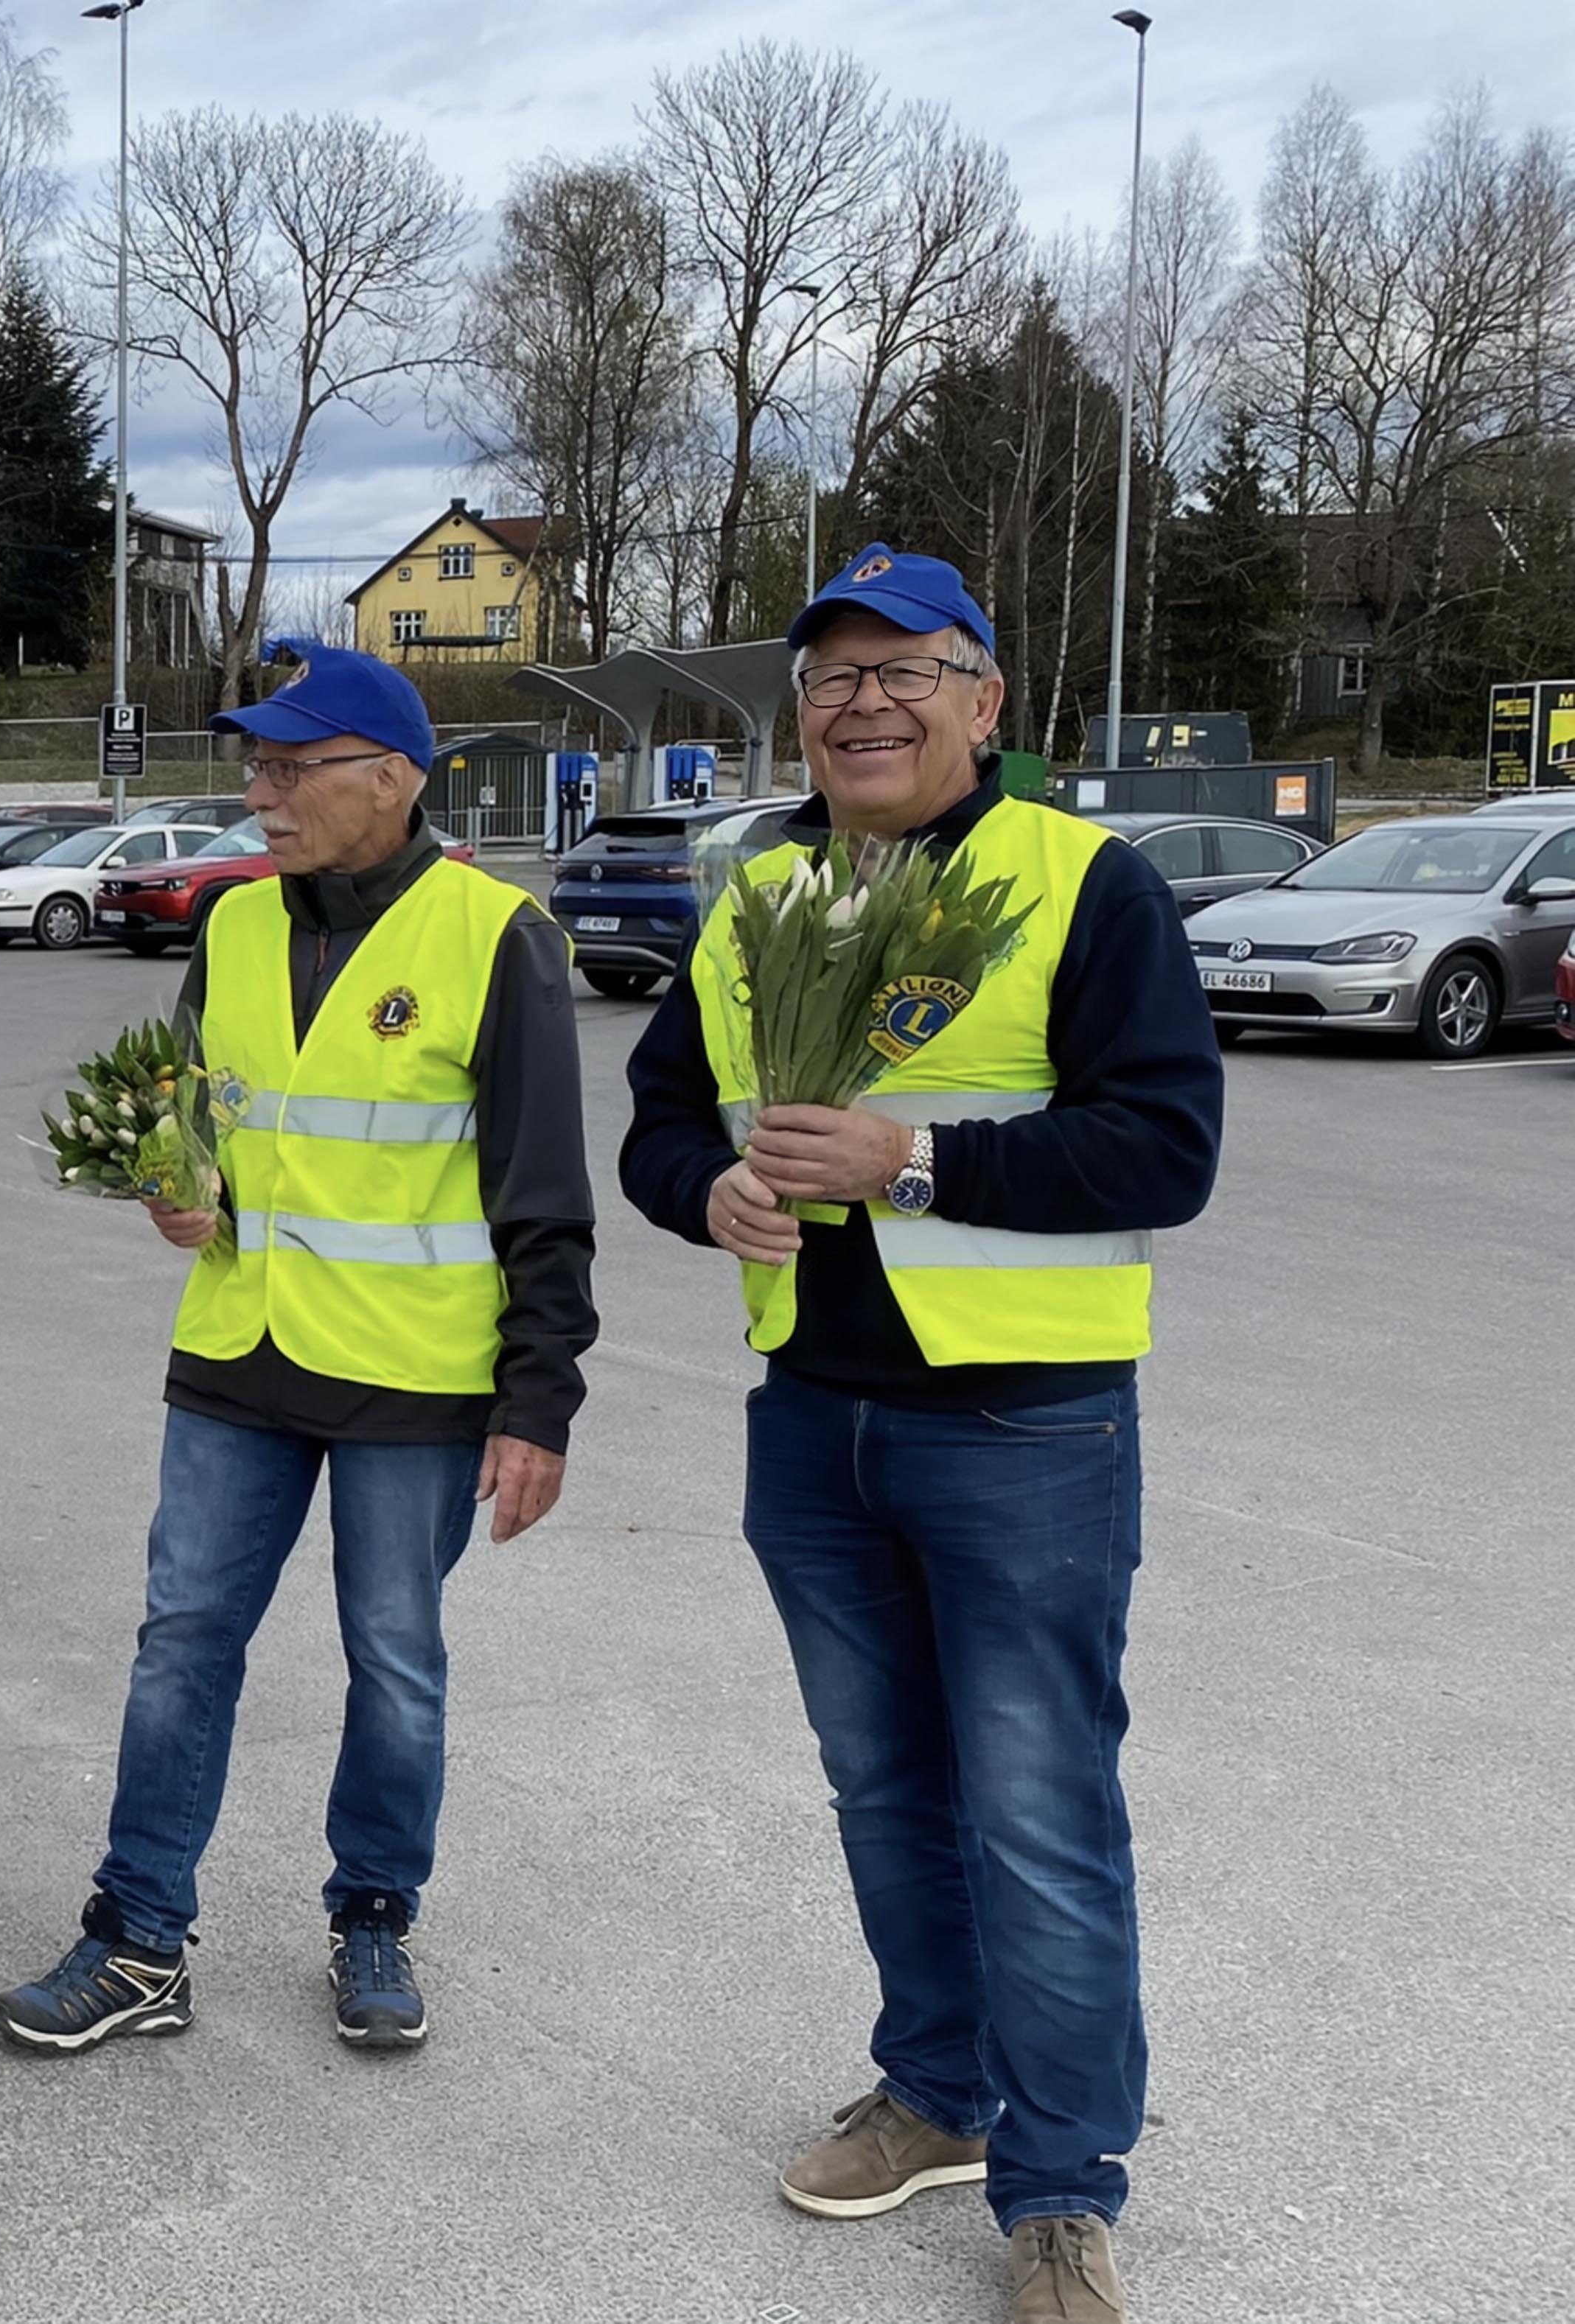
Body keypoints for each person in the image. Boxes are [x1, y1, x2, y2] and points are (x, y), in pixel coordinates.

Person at [620, 547, 1222, 2324]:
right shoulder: (761, 890)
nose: (862, 702)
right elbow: (661, 1118)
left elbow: (1164, 1150)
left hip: (1023, 1428)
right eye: (831, 674)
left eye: (906, 669)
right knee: (882, 1787)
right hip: (813, 1421)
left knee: (1037, 1812)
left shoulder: (1079, 885)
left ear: (985, 698)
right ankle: (937, 2093)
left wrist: (922, 1159)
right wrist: (705, 1189)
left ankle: (1060, 2191)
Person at [0, 641, 593, 2059]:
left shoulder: (495, 936)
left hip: (413, 1379)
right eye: (253, 766)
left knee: (394, 1656)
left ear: (391, 780)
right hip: (235, 1358)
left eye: (288, 767)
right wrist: (173, 1185)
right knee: (181, 1638)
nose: (258, 793)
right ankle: (139, 1933)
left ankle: (373, 1913)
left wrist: (541, 1404)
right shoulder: (236, 927)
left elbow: (545, 1198)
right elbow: (201, 1126)